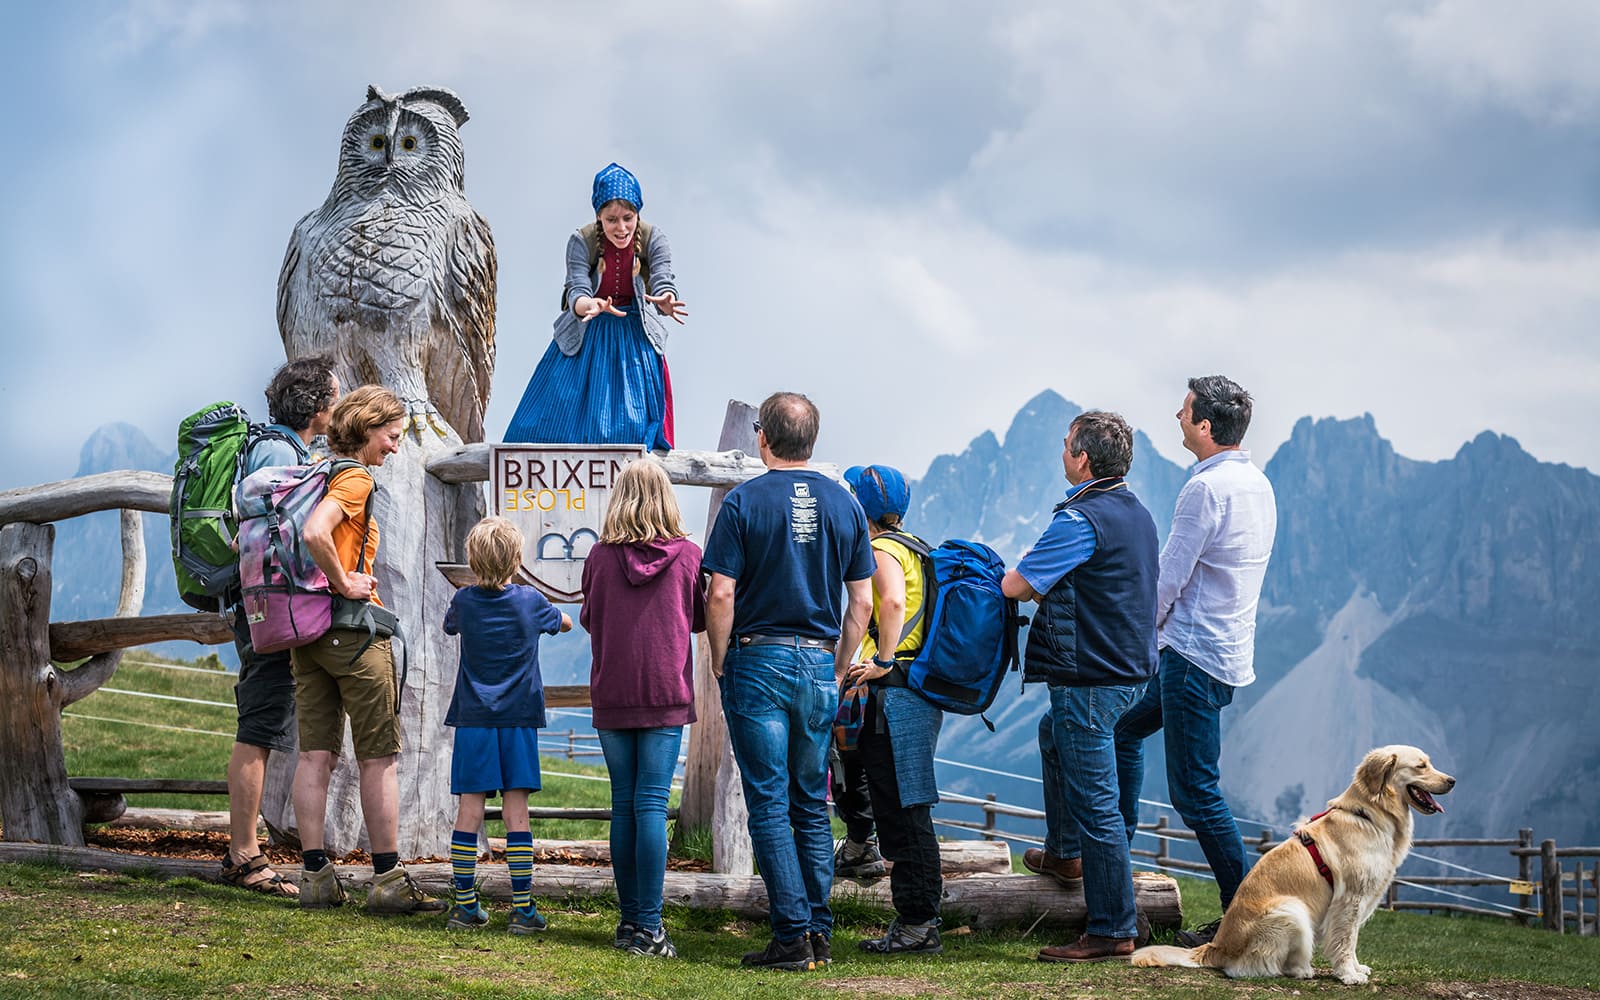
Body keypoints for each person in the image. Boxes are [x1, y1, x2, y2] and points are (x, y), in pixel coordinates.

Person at [702, 392, 875, 972]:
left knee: (769, 803)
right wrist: (839, 661)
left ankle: (791, 935)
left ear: (763, 438)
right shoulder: (847, 505)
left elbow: (721, 593)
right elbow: (862, 602)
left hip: (759, 658)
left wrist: (721, 659)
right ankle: (817, 932)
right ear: (813, 440)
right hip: (819, 662)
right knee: (810, 801)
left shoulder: (743, 502)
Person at [1114, 375, 1277, 948]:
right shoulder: (1258, 484)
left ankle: (1244, 919)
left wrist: (1138, 642)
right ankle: (1113, 857)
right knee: (1121, 732)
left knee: (1195, 792)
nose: (1177, 416)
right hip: (1226, 652)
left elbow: (1168, 579)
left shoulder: (1204, 491)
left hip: (1190, 655)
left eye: (1184, 411)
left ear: (1204, 426)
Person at [1002, 410, 1159, 963]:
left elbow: (1015, 584)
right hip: (1133, 673)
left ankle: (1112, 928)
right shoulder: (1136, 512)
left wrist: (1034, 580)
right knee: (1053, 735)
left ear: (1083, 458)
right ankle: (1066, 854)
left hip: (1090, 677)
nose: (1062, 452)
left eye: (1066, 444)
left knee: (1098, 804)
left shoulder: (1078, 520)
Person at [290, 384, 444, 914]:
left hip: (306, 635)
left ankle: (315, 879)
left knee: (314, 755)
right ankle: (388, 883)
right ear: (368, 429)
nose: (395, 448)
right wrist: (343, 581)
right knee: (380, 757)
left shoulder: (314, 468)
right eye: (392, 436)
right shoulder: (354, 477)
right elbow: (316, 532)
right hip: (352, 633)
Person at [219, 356, 339, 898]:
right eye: (333, 399)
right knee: (260, 723)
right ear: (316, 407)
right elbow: (276, 539)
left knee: (264, 718)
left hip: (259, 605)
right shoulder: (278, 454)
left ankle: (246, 849)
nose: (336, 408)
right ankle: (243, 854)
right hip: (266, 608)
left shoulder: (274, 446)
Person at [580, 457, 705, 958]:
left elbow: (590, 617)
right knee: (651, 803)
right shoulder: (688, 556)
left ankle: (630, 922)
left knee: (624, 802)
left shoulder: (597, 556)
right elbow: (697, 620)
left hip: (613, 689)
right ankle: (650, 927)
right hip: (664, 690)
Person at [441, 516, 572, 935]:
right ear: (516, 560)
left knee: (469, 809)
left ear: (473, 560)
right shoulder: (531, 602)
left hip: (474, 719)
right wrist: (556, 619)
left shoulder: (464, 600)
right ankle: (523, 908)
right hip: (518, 719)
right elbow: (564, 623)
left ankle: (464, 904)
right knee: (517, 811)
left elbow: (450, 625)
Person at [504, 162, 687, 451]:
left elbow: (664, 280)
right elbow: (577, 287)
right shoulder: (582, 240)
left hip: (635, 334)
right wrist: (589, 305)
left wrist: (664, 299)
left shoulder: (654, 239)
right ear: (599, 216)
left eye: (628, 218)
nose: (622, 227)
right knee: (553, 419)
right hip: (588, 332)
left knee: (633, 423)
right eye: (612, 219)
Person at [842, 464, 946, 956]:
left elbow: (890, 602)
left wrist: (882, 660)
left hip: (896, 693)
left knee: (905, 810)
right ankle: (915, 916)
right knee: (905, 803)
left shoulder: (881, 549)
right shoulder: (916, 545)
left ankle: (918, 923)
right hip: (916, 693)